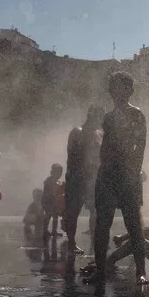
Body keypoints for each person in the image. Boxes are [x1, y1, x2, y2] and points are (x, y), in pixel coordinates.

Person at [88, 72, 148, 285]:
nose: (115, 92)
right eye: (113, 88)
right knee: (102, 225)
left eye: (120, 87)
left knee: (133, 225)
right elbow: (104, 148)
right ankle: (100, 268)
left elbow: (140, 146)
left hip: (128, 175)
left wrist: (135, 173)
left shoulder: (137, 115)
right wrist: (101, 172)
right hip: (107, 176)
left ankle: (141, 271)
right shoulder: (108, 117)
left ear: (130, 90)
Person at [64, 105, 104, 255]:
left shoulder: (99, 133)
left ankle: (96, 241)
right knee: (73, 211)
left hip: (93, 178)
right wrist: (75, 176)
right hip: (77, 178)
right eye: (98, 115)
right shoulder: (77, 132)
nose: (100, 119)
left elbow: (101, 156)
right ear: (90, 115)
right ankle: (71, 242)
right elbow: (72, 156)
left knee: (95, 210)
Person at [42, 163, 64, 243]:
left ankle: (54, 231)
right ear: (53, 172)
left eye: (60, 173)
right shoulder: (49, 180)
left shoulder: (57, 181)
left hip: (54, 201)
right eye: (58, 172)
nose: (59, 174)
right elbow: (52, 189)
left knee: (55, 216)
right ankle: (44, 230)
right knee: (48, 215)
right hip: (48, 201)